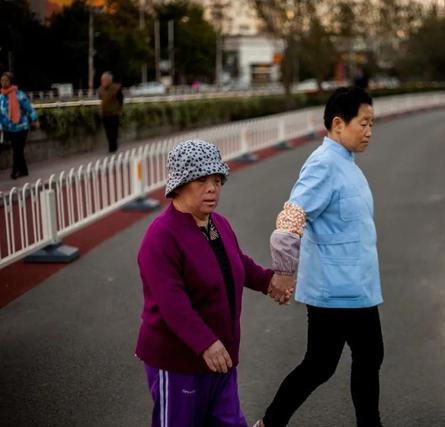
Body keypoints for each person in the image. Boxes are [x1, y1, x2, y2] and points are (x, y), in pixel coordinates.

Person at [136, 139, 290, 427]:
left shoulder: (217, 222)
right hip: (180, 362)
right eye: (202, 180)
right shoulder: (161, 236)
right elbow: (172, 303)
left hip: (222, 358)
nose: (212, 188)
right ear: (179, 184)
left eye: (217, 179)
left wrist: (268, 281)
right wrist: (205, 343)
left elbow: (237, 263)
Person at [257, 87, 384, 427]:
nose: (370, 131)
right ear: (339, 124)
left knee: (354, 359)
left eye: (373, 123)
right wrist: (284, 272)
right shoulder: (324, 164)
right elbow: (290, 220)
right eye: (364, 123)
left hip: (355, 286)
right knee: (324, 365)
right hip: (335, 290)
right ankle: (270, 424)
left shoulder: (346, 162)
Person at [0, 72, 39, 179]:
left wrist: (35, 119)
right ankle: (24, 171)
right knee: (18, 151)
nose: (3, 82)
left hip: (22, 127)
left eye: (6, 80)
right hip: (9, 128)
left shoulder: (18, 94)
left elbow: (28, 108)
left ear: (10, 81)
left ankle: (14, 172)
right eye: (2, 80)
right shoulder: (1, 97)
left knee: (18, 150)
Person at [97, 71, 123, 153]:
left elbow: (120, 100)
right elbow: (100, 99)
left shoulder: (116, 88)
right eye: (102, 80)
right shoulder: (100, 89)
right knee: (108, 131)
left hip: (114, 114)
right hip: (105, 114)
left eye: (104, 80)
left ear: (109, 80)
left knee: (114, 131)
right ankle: (111, 147)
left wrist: (119, 109)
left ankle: (113, 147)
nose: (103, 81)